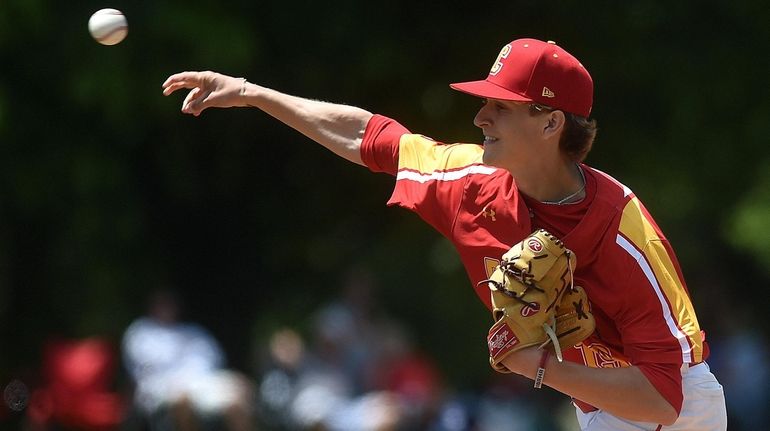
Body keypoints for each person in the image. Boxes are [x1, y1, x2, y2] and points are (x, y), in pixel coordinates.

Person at [161, 38, 727, 430]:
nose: (481, 118)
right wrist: (256, 93)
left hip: (673, 412)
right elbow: (372, 137)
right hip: (597, 403)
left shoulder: (622, 234)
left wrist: (536, 366)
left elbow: (664, 397)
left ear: (551, 123)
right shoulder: (471, 183)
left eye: (500, 107)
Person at [121, 289, 255, 431]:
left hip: (201, 383)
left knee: (239, 392)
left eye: (170, 304)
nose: (167, 309)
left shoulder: (194, 331)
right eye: (162, 304)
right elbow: (143, 371)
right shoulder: (140, 332)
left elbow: (214, 363)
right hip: (160, 388)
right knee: (182, 399)